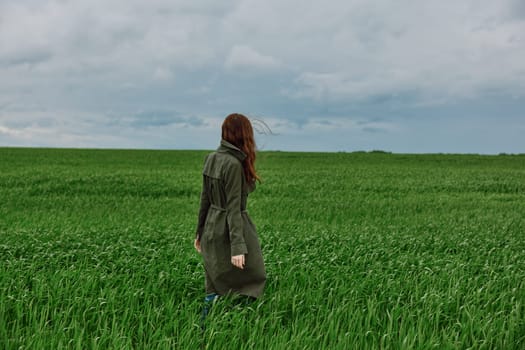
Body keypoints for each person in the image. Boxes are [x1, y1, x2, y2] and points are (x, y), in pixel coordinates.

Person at [194, 113, 266, 315]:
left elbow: (204, 200)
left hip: (211, 226)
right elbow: (233, 208)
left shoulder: (211, 158)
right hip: (231, 228)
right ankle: (244, 321)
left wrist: (199, 233)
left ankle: (207, 323)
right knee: (255, 274)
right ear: (244, 135)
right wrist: (237, 247)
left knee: (215, 280)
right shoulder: (233, 164)